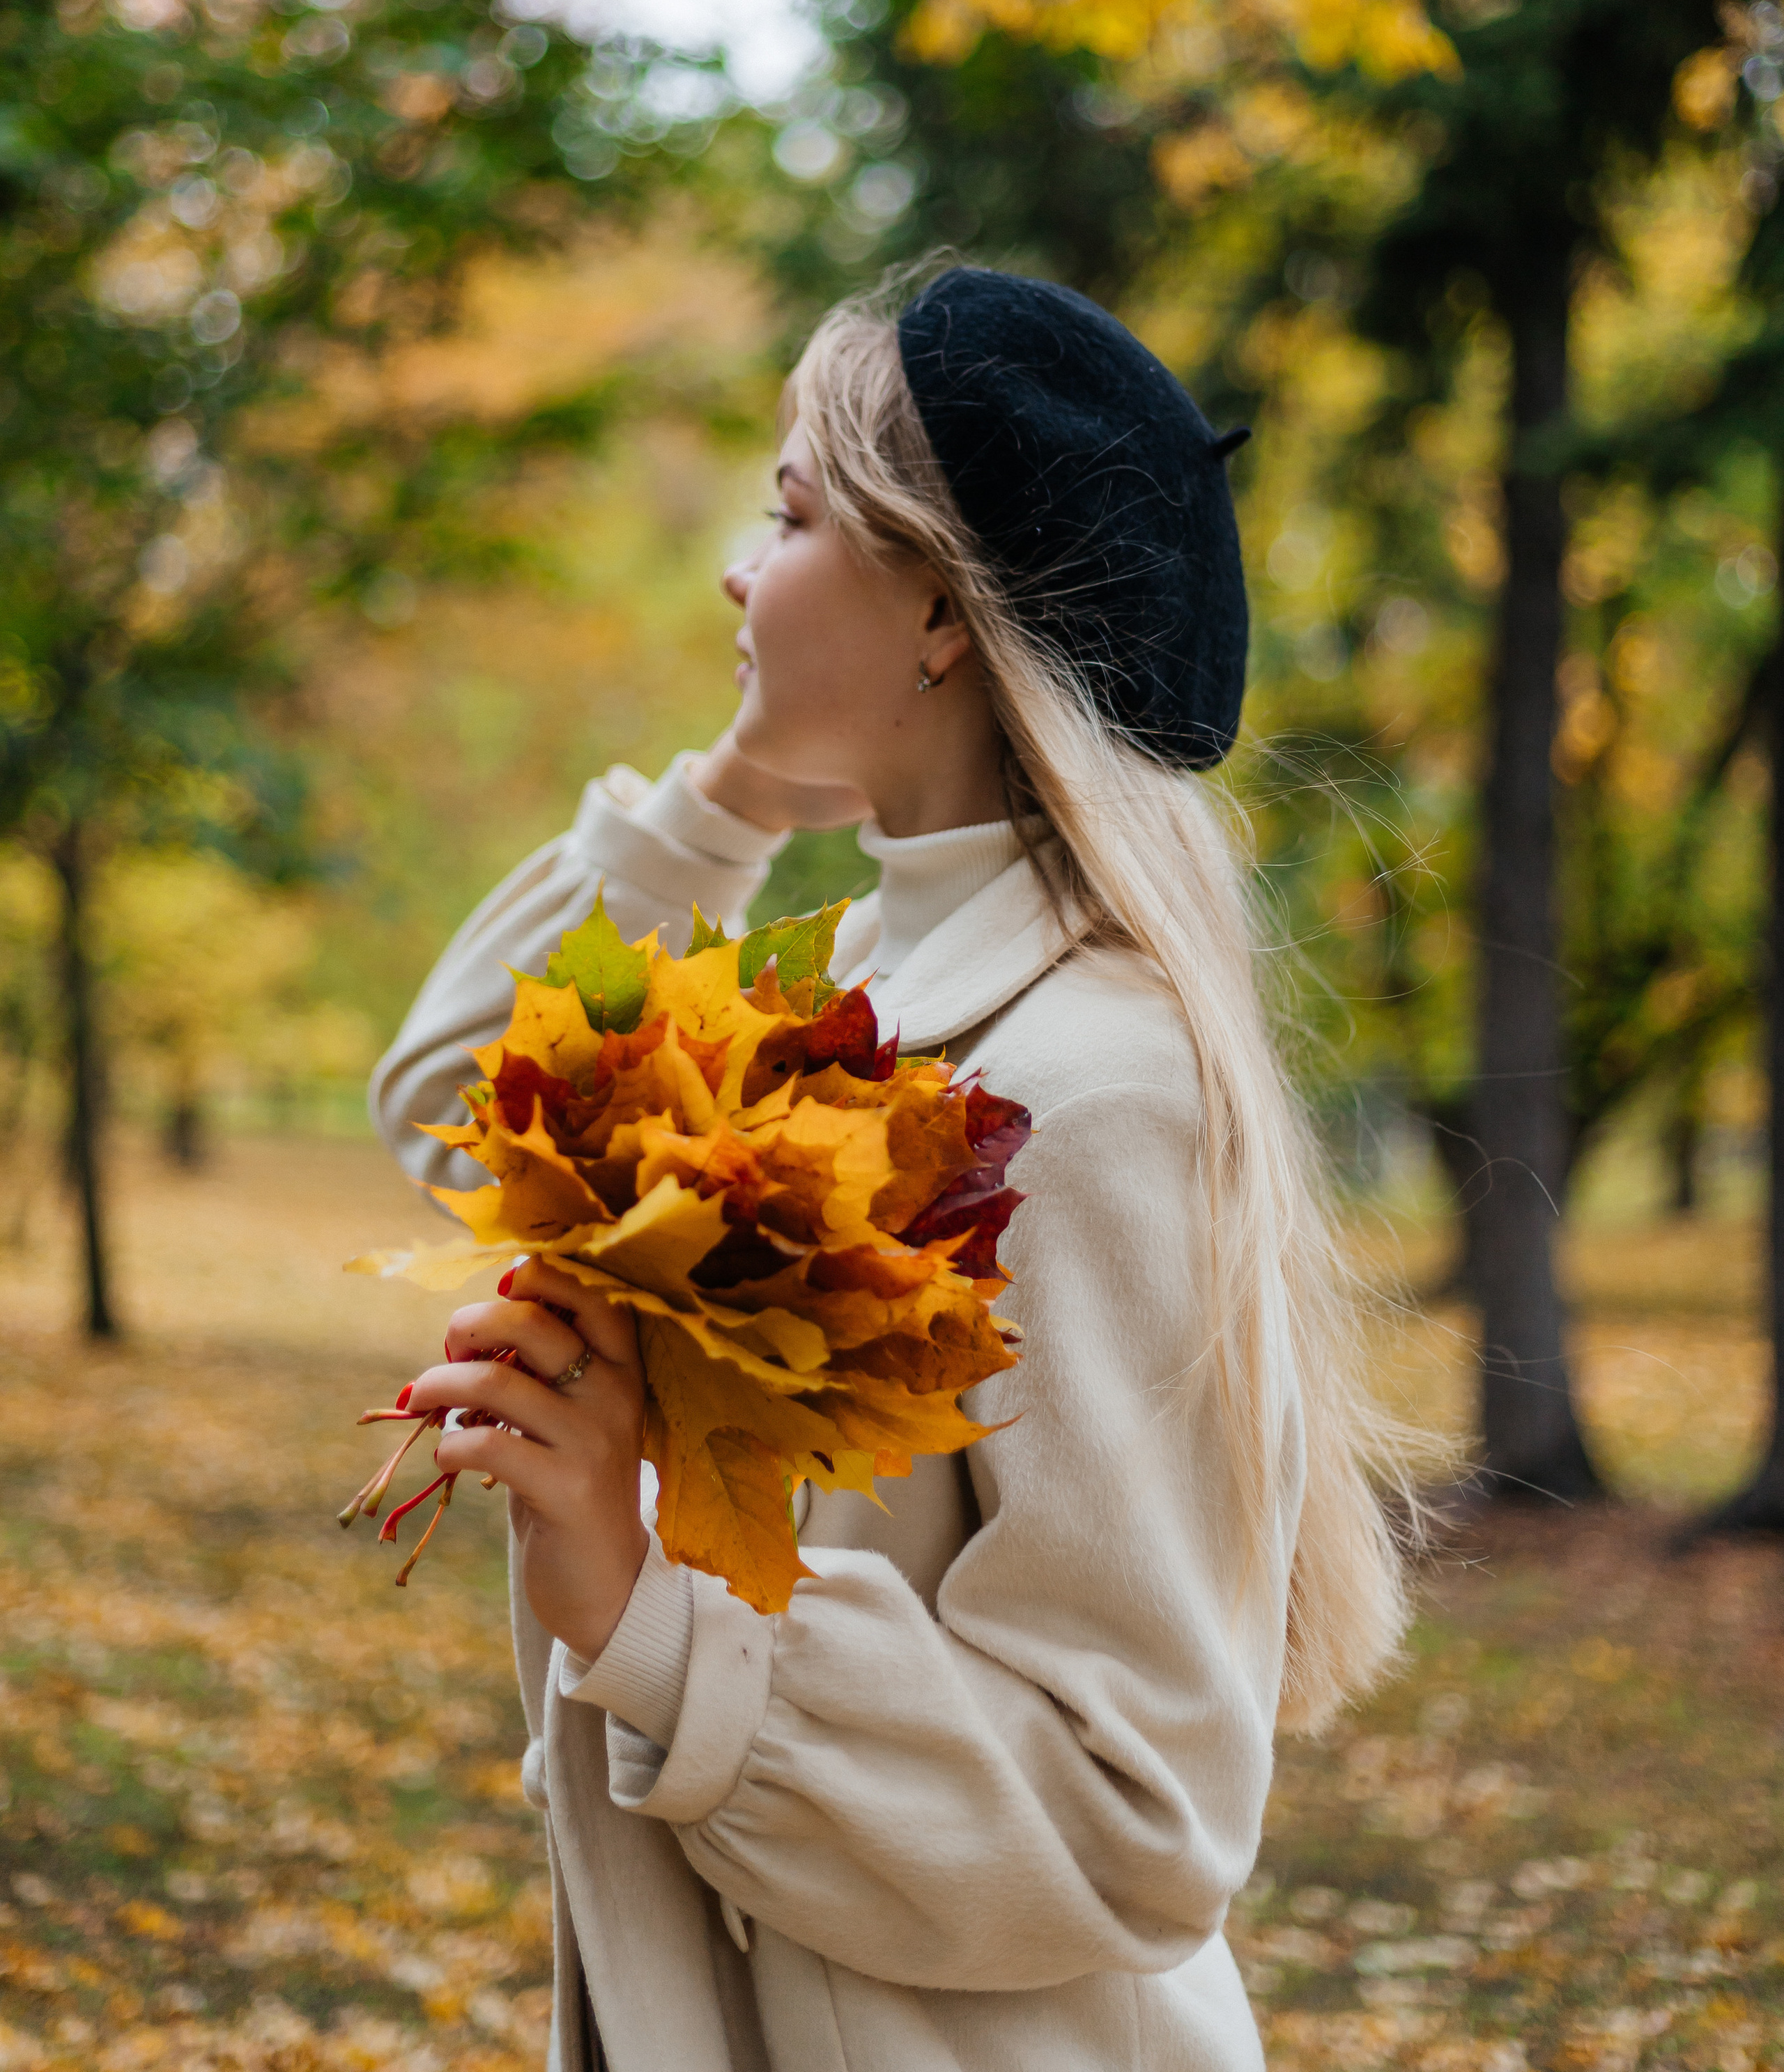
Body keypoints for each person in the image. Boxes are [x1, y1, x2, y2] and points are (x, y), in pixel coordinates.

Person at [370, 266, 1409, 2072]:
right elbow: (465, 1104)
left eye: (786, 515)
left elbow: (1136, 1807)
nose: (734, 570)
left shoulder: (1082, 1092)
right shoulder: (859, 999)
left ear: (938, 606)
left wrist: (649, 1610)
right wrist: (724, 807)